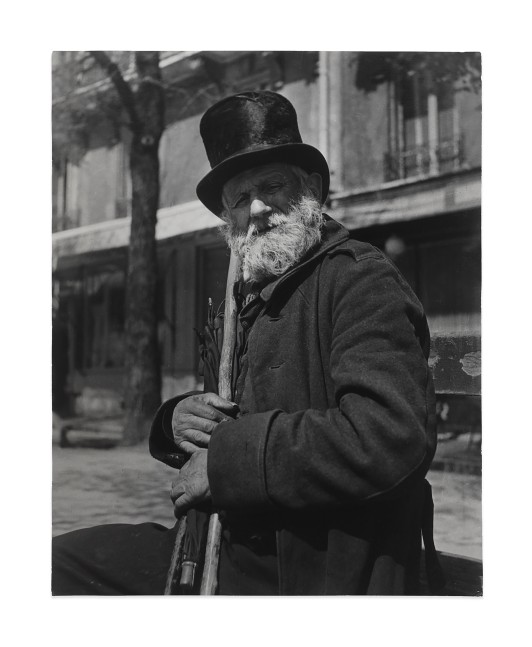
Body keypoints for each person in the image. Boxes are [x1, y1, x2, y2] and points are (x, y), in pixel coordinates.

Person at [52, 90, 440, 595]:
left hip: (314, 566)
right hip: (213, 546)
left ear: (312, 190)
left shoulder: (359, 279)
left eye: (272, 186)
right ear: (228, 220)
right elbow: (228, 419)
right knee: (53, 565)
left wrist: (227, 463)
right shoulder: (249, 296)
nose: (256, 208)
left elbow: (391, 435)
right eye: (238, 198)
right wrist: (177, 420)